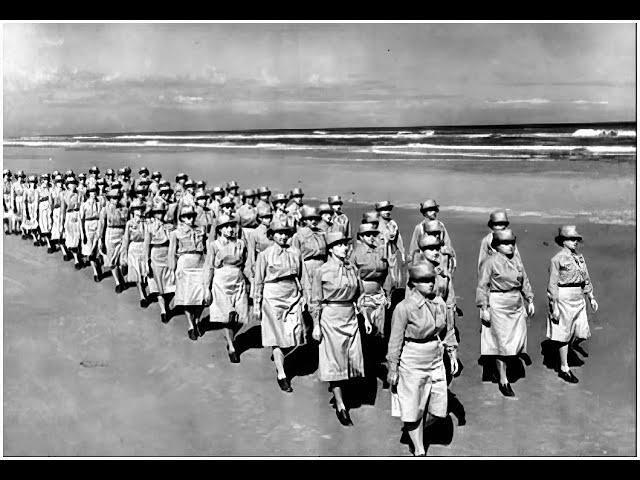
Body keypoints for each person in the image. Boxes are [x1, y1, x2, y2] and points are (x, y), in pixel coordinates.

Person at [386, 262, 458, 456]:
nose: (430, 284)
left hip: (435, 355)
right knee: (412, 406)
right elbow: (395, 340)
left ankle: (412, 430)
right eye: (424, 281)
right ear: (414, 283)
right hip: (412, 357)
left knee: (438, 408)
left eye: (431, 280)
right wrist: (393, 368)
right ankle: (418, 447)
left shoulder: (439, 303)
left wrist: (452, 352)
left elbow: (448, 330)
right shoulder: (404, 308)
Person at [311, 231, 371, 426]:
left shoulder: (352, 269)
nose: (345, 248)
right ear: (330, 249)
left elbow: (360, 295)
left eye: (346, 244)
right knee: (334, 361)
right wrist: (316, 325)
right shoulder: (322, 271)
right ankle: (340, 404)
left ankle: (344, 393)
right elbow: (315, 301)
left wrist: (366, 316)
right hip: (330, 318)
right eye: (339, 245)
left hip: (350, 318)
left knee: (352, 358)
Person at [476, 229, 535, 397]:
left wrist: (529, 299)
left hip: (515, 304)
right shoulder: (490, 262)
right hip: (498, 304)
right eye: (505, 243)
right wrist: (484, 308)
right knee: (501, 344)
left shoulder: (516, 261)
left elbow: (525, 281)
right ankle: (503, 379)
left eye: (511, 243)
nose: (509, 247)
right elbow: (482, 286)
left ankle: (505, 371)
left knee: (514, 342)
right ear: (497, 246)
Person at [253, 218, 305, 393]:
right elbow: (258, 281)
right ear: (272, 235)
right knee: (276, 337)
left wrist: (305, 295)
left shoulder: (296, 253)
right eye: (279, 233)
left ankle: (279, 357)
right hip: (272, 296)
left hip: (292, 295)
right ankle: (282, 374)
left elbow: (303, 276)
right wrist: (256, 303)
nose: (283, 236)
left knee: (295, 334)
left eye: (286, 233)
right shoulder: (265, 255)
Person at [546, 225, 599, 383]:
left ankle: (570, 349)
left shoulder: (580, 258)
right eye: (571, 239)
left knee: (581, 330)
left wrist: (591, 296)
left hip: (578, 296)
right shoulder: (557, 259)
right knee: (563, 332)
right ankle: (564, 367)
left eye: (576, 239)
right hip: (564, 296)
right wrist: (553, 305)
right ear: (563, 241)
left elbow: (586, 278)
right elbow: (552, 284)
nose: (575, 242)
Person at [202, 213, 249, 362]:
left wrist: (252, 281)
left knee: (240, 317)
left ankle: (231, 336)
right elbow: (209, 267)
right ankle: (231, 345)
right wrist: (206, 288)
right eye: (226, 227)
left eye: (232, 226)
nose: (230, 229)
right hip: (221, 282)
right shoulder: (214, 245)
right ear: (220, 229)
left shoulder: (241, 243)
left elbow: (246, 264)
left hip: (238, 279)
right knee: (227, 317)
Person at [351, 223, 390, 389]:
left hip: (379, 297)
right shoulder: (355, 254)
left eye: (373, 234)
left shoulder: (380, 251)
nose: (371, 237)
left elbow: (386, 273)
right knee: (365, 335)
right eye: (367, 235)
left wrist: (387, 294)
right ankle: (366, 373)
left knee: (381, 335)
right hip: (363, 297)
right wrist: (356, 300)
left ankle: (379, 369)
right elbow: (351, 277)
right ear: (360, 237)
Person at [168, 205, 207, 340]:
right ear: (182, 218)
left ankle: (197, 319)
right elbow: (171, 252)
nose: (190, 219)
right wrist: (172, 270)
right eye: (186, 216)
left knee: (201, 296)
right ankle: (191, 324)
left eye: (192, 216)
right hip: (184, 264)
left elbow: (206, 249)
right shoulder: (176, 233)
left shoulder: (201, 230)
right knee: (186, 297)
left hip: (200, 262)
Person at [144, 197, 177, 323]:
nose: (159, 215)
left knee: (171, 283)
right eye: (157, 212)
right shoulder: (150, 227)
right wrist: (146, 262)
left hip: (168, 254)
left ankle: (167, 304)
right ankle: (163, 309)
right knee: (158, 284)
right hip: (156, 254)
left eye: (162, 212)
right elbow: (146, 245)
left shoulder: (170, 227)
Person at [291, 206, 327, 310]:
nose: (314, 221)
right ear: (305, 220)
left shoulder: (322, 234)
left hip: (321, 265)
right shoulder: (298, 235)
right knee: (308, 295)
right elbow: (295, 256)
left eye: (316, 219)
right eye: (310, 219)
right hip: (306, 267)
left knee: (322, 293)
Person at [409, 199, 456, 274]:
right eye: (430, 210)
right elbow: (414, 249)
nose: (433, 212)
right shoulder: (419, 228)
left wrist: (451, 259)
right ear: (425, 213)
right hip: (424, 266)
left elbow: (448, 245)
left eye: (434, 210)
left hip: (439, 265)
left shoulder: (441, 226)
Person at [97, 188, 129, 293]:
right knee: (112, 259)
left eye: (117, 198)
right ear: (109, 199)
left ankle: (122, 278)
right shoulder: (105, 209)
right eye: (113, 198)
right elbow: (102, 224)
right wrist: (100, 239)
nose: (115, 200)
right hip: (110, 233)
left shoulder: (124, 209)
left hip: (122, 233)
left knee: (121, 259)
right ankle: (118, 282)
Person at [121, 199, 150, 307]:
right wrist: (123, 254)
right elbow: (126, 239)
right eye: (137, 209)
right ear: (133, 210)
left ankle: (145, 288)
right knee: (137, 273)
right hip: (134, 247)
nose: (139, 211)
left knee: (145, 272)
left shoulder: (147, 222)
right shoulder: (130, 223)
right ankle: (142, 295)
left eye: (141, 208)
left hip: (144, 247)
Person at [376, 201, 406, 294]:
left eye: (389, 209)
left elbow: (398, 239)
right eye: (384, 209)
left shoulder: (393, 224)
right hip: (378, 256)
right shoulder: (374, 224)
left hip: (391, 256)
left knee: (394, 279)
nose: (387, 212)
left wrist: (402, 253)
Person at [245, 203, 274, 297]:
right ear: (260, 219)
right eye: (265, 217)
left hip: (273, 262)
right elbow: (251, 253)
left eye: (269, 217)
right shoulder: (254, 233)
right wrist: (252, 268)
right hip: (260, 263)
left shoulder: (274, 232)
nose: (268, 219)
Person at [80, 186, 103, 282]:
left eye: (95, 191)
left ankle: (98, 266)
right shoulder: (84, 205)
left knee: (97, 247)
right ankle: (95, 271)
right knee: (89, 250)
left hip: (97, 224)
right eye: (91, 192)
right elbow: (81, 220)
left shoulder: (99, 204)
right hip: (88, 225)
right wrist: (83, 234)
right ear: (88, 193)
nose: (93, 194)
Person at [22, 175, 40, 245]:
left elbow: (37, 201)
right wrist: (26, 211)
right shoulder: (26, 190)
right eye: (31, 182)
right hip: (28, 208)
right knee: (29, 222)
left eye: (34, 182)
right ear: (29, 183)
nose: (32, 184)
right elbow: (24, 201)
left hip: (34, 208)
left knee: (35, 221)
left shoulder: (36, 190)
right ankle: (33, 237)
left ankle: (37, 236)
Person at [11, 171, 27, 237]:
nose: (21, 178)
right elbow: (12, 195)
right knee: (16, 213)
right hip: (16, 200)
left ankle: (21, 228)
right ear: (17, 177)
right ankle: (15, 227)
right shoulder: (14, 185)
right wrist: (13, 204)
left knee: (23, 214)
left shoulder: (24, 185)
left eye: (22, 177)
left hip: (22, 200)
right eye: (19, 177)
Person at [3, 170, 16, 234]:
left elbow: (12, 193)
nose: (8, 176)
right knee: (4, 215)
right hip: (3, 200)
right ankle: (6, 228)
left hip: (9, 199)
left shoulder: (10, 183)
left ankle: (12, 228)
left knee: (11, 214)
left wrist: (12, 202)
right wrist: (4, 205)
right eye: (7, 175)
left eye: (9, 175)